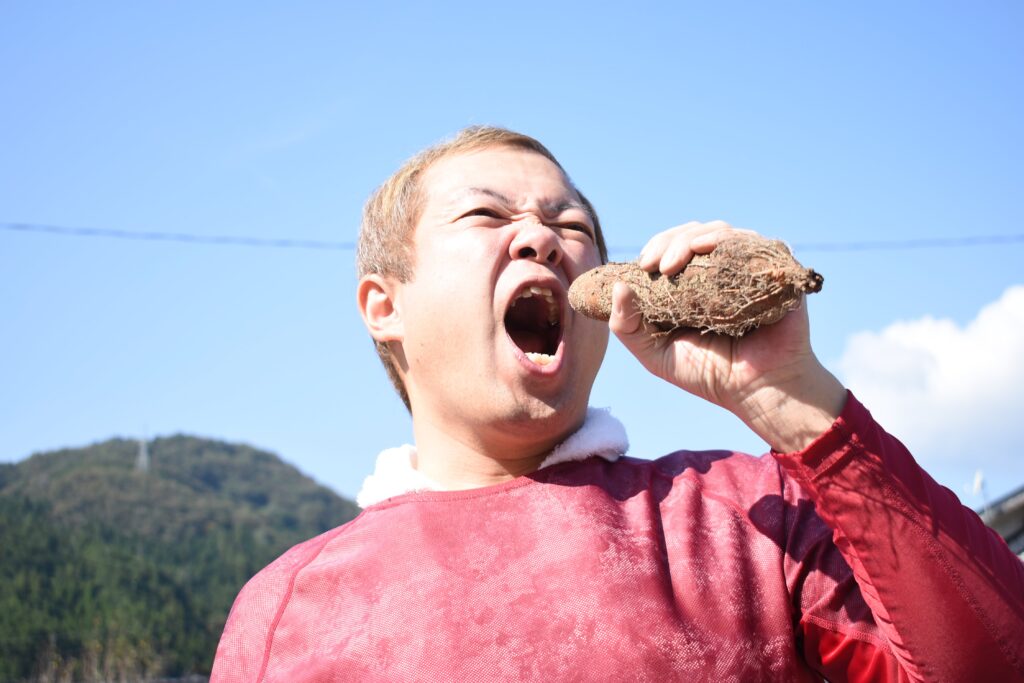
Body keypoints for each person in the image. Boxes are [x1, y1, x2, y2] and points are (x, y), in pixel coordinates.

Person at [211, 127, 1024, 682]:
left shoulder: (753, 514)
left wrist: (794, 398)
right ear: (384, 305)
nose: (542, 237)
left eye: (574, 225)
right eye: (488, 214)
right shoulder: (284, 608)